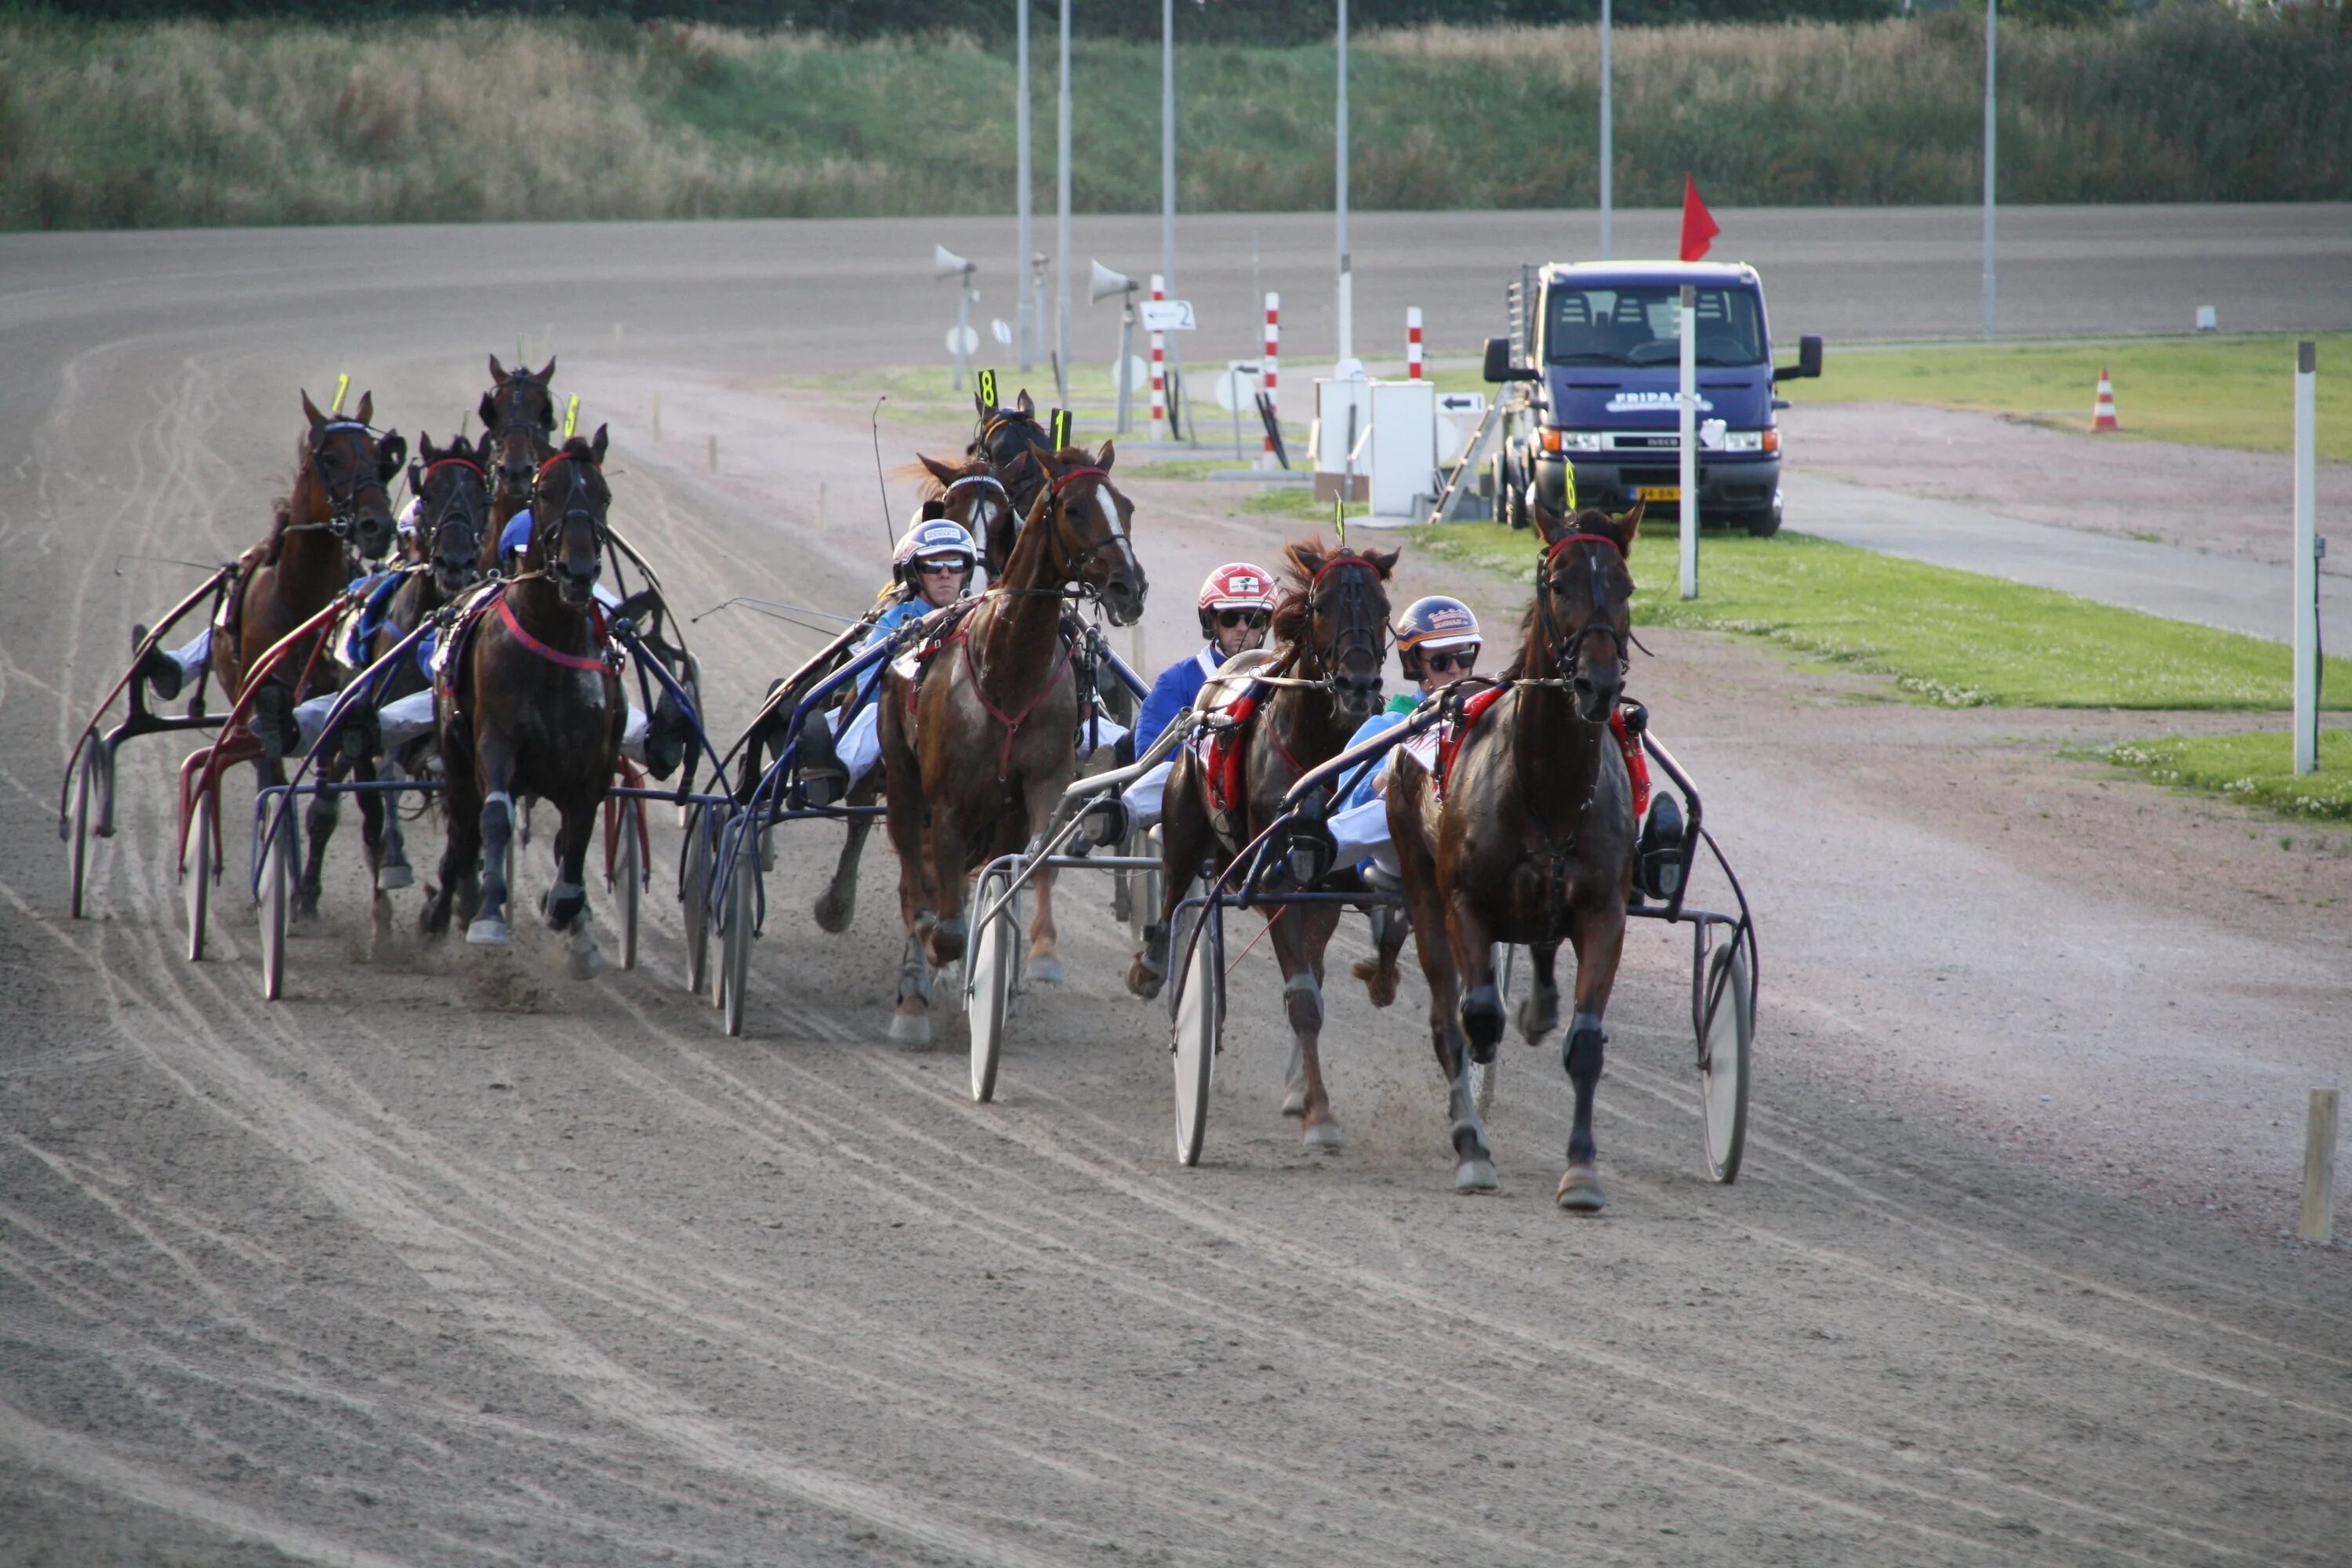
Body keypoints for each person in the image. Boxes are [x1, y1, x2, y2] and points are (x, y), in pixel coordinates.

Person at [1080, 562, 1276, 844]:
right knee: (1166, 773)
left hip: (1260, 787)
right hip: (1193, 793)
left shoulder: (1284, 677)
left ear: (1265, 625)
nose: (1243, 629)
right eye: (1231, 618)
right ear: (1212, 621)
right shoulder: (1178, 680)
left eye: (1254, 620)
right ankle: (1118, 817)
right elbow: (1150, 755)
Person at [794, 517, 978, 798]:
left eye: (954, 565)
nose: (945, 574)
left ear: (966, 571)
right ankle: (838, 773)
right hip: (902, 717)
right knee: (875, 711)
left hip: (964, 716)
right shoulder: (894, 620)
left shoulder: (977, 618)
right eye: (932, 565)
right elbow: (869, 682)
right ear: (916, 573)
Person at [1323, 594, 1484, 881]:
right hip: (1402, 852)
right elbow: (1351, 809)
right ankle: (1311, 853)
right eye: (1442, 661)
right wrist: (1395, 769)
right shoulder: (1387, 726)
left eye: (1464, 657)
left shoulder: (1487, 714)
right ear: (1413, 664)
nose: (1456, 669)